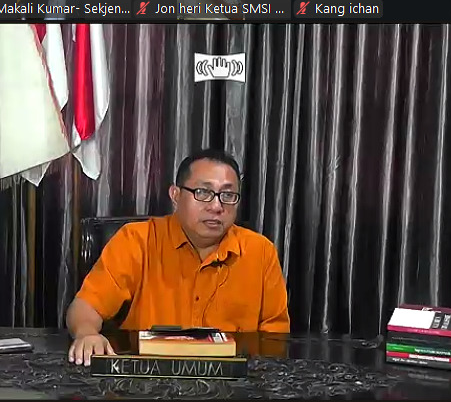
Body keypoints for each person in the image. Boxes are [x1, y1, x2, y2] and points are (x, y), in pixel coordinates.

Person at [66, 148, 290, 366]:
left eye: (228, 195)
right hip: (148, 374)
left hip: (232, 378)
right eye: (203, 192)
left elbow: (275, 339)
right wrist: (87, 334)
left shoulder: (261, 252)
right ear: (175, 195)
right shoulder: (136, 241)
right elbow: (86, 307)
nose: (216, 206)